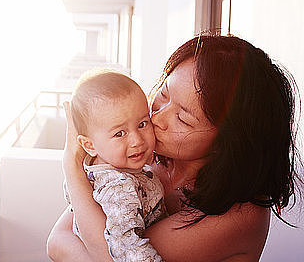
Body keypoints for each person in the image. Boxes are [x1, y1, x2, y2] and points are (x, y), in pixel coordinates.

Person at [47, 34, 302, 262]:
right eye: (164, 94)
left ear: (227, 142)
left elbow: (111, 257)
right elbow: (57, 240)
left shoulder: (239, 213)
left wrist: (72, 166)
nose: (156, 118)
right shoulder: (147, 158)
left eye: (183, 118)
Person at [62, 69, 167, 261]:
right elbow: (127, 247)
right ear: (89, 145)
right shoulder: (118, 188)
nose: (137, 140)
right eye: (120, 134)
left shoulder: (104, 166)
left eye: (143, 124)